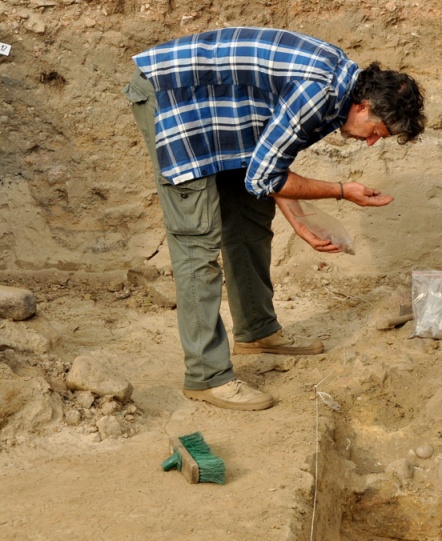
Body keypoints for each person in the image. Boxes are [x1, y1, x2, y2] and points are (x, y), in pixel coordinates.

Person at [123, 27, 425, 411]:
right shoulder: (316, 93)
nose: (370, 142)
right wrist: (340, 189)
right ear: (364, 106)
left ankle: (256, 332)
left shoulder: (339, 91)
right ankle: (206, 376)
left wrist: (298, 221)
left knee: (249, 214)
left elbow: (267, 166)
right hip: (173, 99)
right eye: (376, 133)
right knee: (196, 239)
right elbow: (266, 175)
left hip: (221, 111)